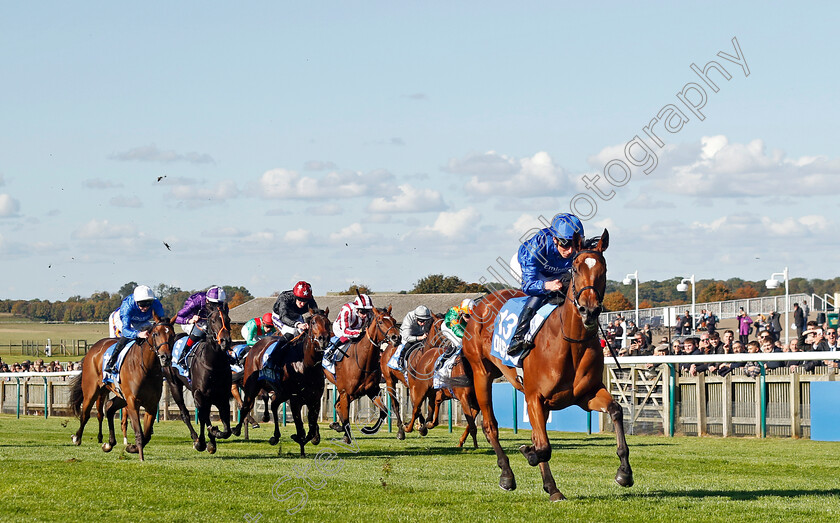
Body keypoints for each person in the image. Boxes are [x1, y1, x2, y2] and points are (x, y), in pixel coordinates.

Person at [507, 213, 584, 357]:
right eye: (565, 245)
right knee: (541, 294)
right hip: (525, 267)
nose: (569, 251)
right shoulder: (536, 248)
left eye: (573, 245)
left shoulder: (575, 247)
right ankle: (517, 338)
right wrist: (546, 286)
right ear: (555, 239)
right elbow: (528, 285)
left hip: (553, 269)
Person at [104, 285, 166, 375]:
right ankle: (111, 362)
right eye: (142, 305)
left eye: (148, 304)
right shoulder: (127, 307)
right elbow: (126, 330)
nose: (145, 308)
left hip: (141, 321)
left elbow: (161, 322)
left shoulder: (156, 304)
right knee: (125, 338)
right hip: (120, 320)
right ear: (136, 302)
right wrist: (138, 334)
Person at [174, 286, 227, 367]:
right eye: (213, 304)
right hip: (190, 322)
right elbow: (178, 318)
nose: (216, 307)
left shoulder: (223, 306)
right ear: (207, 300)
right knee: (200, 331)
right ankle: (183, 356)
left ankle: (227, 355)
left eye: (218, 304)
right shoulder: (197, 300)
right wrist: (190, 320)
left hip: (209, 322)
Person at [325, 294, 374, 361]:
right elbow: (345, 332)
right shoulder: (347, 310)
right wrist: (359, 331)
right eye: (362, 312)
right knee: (348, 338)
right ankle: (331, 352)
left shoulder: (370, 313)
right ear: (356, 308)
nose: (365, 315)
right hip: (341, 329)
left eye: (367, 312)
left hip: (357, 328)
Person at [436, 299, 475, 373]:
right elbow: (457, 331)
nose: (469, 319)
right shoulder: (455, 313)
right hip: (449, 327)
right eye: (467, 316)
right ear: (461, 313)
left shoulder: (474, 311)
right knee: (460, 342)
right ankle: (443, 362)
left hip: (462, 327)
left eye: (472, 316)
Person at [397, 305, 432, 371]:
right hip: (408, 336)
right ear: (416, 318)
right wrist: (420, 338)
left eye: (425, 321)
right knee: (408, 345)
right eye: (421, 321)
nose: (423, 323)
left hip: (421, 334)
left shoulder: (426, 318)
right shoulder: (409, 319)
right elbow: (407, 337)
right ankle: (401, 360)